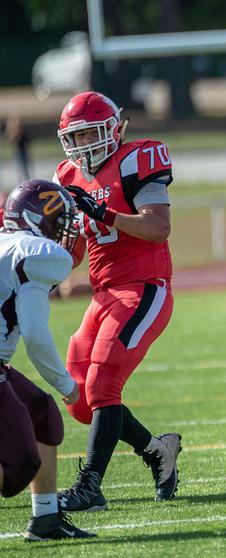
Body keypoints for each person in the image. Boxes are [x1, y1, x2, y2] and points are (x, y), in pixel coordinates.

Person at [51, 91, 181, 511]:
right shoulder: (67, 176)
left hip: (145, 286)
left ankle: (90, 487)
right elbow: (72, 253)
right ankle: (156, 450)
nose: (85, 143)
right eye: (78, 135)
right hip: (104, 295)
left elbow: (158, 227)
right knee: (81, 399)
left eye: (92, 132)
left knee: (103, 383)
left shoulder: (136, 159)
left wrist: (104, 213)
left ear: (115, 128)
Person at [0, 179, 95, 540]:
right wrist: (66, 384)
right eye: (58, 222)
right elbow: (36, 335)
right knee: (18, 467)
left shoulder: (5, 242)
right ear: (36, 218)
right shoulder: (35, 253)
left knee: (41, 411)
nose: (62, 232)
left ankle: (46, 519)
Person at [3, 115, 32, 179]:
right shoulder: (13, 132)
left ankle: (27, 181)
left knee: (25, 168)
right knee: (20, 168)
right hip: (18, 152)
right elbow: (10, 141)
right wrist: (11, 130)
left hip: (23, 151)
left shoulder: (22, 131)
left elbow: (27, 141)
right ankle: (22, 181)